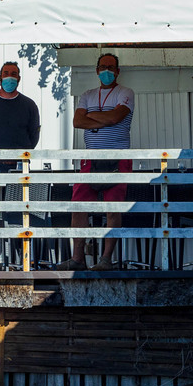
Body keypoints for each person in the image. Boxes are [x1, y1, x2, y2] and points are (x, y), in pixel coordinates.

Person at [59, 53, 133, 271]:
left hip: (117, 158)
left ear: (118, 71)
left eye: (111, 67)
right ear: (97, 70)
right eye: (103, 67)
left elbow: (115, 118)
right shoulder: (87, 95)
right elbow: (77, 121)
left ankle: (106, 260)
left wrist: (93, 118)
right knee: (79, 206)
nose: (107, 71)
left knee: (113, 208)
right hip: (90, 158)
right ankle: (77, 258)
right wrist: (105, 117)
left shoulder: (125, 92)